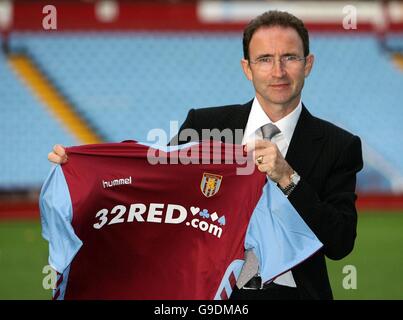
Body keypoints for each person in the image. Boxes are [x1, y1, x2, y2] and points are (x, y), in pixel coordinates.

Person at [48, 10, 363, 300]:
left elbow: (340, 243)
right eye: (265, 59)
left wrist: (287, 178)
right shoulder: (204, 125)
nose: (278, 71)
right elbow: (151, 184)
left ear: (307, 64)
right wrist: (83, 171)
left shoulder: (339, 145)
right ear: (247, 69)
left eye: (289, 57)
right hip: (206, 297)